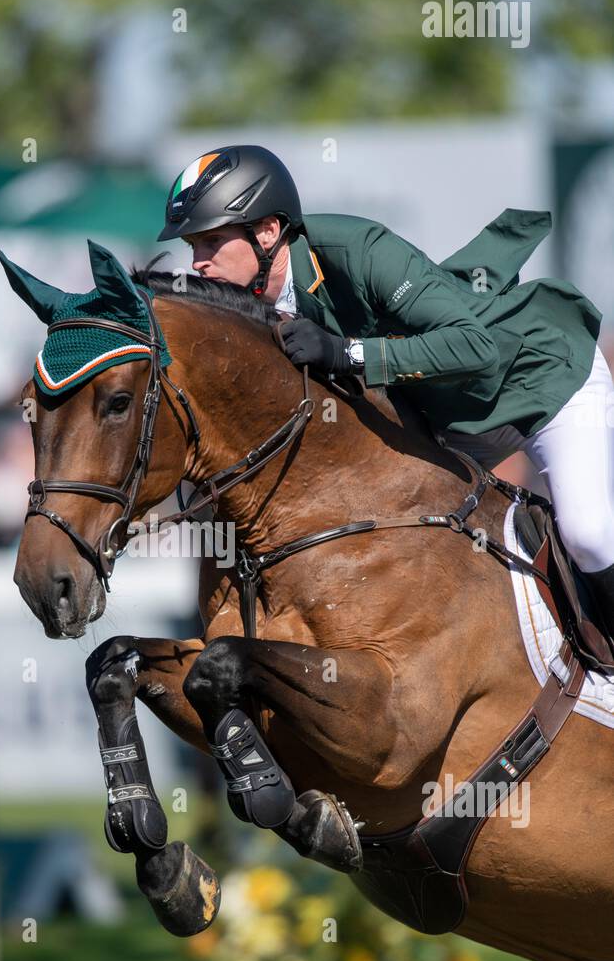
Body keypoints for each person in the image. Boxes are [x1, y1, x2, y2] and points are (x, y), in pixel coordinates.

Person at [157, 144, 614, 649]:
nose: (198, 264)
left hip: (543, 381)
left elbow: (475, 348)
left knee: (588, 534)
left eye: (212, 243)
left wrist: (344, 353)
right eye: (192, 248)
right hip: (452, 420)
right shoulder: (247, 309)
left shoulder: (358, 248)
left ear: (267, 231)